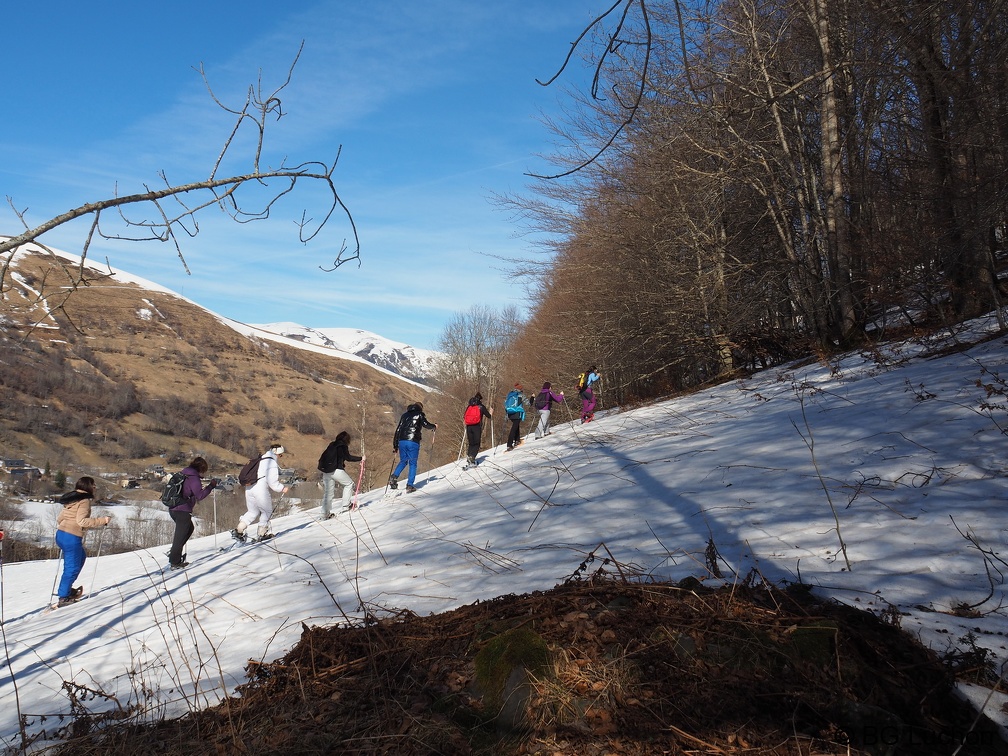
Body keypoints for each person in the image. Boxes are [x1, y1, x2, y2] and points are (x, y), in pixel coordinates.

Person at [55, 476, 111, 607]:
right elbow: (82, 521)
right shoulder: (84, 500)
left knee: (80, 558)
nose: (95, 487)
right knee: (72, 567)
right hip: (71, 537)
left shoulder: (72, 498)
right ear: (88, 486)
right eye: (93, 485)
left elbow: (60, 518)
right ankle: (64, 597)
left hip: (61, 534)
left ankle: (66, 589)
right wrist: (102, 520)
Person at [166, 457, 218, 569]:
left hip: (174, 508)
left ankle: (174, 552)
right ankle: (175, 562)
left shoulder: (184, 473)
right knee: (180, 536)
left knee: (189, 529)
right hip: (182, 510)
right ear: (202, 468)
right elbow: (200, 495)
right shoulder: (194, 478)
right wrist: (211, 486)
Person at [232, 444, 288, 542]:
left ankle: (239, 530)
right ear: (276, 453)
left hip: (249, 488)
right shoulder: (271, 462)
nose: (280, 457)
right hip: (260, 488)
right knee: (266, 511)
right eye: (280, 455)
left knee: (252, 511)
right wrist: (282, 488)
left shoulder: (261, 459)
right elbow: (272, 482)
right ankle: (261, 533)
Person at [390, 402, 437, 493]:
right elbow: (425, 424)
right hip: (413, 441)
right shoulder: (420, 414)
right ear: (420, 408)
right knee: (413, 463)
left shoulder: (404, 415)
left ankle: (394, 477)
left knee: (403, 461)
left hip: (402, 441)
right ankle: (410, 485)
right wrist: (434, 426)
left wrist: (395, 445)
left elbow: (398, 430)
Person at [317, 431, 365, 517]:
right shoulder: (343, 446)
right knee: (349, 484)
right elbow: (348, 457)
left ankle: (325, 513)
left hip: (326, 471)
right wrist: (361, 458)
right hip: (336, 470)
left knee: (328, 493)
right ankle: (346, 506)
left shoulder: (332, 445)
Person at [462, 392, 492, 467]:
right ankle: (472, 457)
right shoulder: (481, 406)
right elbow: (488, 416)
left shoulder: (469, 406)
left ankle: (469, 456)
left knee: (471, 443)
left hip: (469, 426)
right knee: (477, 443)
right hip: (477, 427)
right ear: (480, 399)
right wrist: (491, 412)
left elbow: (464, 416)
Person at [504, 383, 526, 451]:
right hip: (517, 413)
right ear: (520, 389)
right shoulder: (520, 395)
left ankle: (517, 440)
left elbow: (505, 404)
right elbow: (528, 403)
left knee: (516, 426)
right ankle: (509, 444)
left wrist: (507, 414)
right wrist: (532, 398)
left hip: (510, 413)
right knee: (514, 428)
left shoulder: (510, 394)